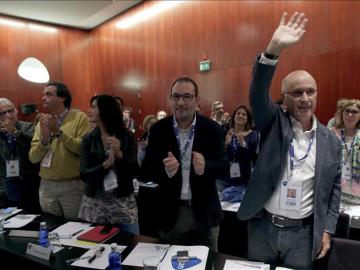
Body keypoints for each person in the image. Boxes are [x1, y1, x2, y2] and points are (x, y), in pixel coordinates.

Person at [237, 12, 342, 269]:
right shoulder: (274, 122)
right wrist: (273, 50)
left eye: (310, 91)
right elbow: (257, 91)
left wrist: (327, 230)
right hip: (264, 227)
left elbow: (334, 190)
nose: (304, 97)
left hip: (303, 236)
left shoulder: (331, 141)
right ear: (284, 99)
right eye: (296, 92)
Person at [141, 77, 228, 252]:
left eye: (187, 96)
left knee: (207, 263)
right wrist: (164, 169)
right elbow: (145, 171)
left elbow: (225, 167)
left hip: (204, 213)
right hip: (171, 214)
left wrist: (206, 166)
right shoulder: (158, 130)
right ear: (170, 99)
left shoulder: (213, 129)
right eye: (176, 96)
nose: (181, 102)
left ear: (197, 100)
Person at [29, 82, 90, 219]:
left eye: (48, 94)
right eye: (43, 95)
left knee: (74, 228)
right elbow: (33, 157)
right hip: (46, 186)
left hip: (71, 185)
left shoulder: (79, 118)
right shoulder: (42, 122)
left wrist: (57, 132)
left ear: (62, 98)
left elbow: (82, 148)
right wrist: (44, 140)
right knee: (51, 228)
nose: (43, 98)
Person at [79, 95, 139, 234]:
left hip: (122, 202)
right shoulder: (88, 139)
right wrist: (105, 165)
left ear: (105, 110)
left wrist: (119, 155)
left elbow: (135, 171)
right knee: (94, 248)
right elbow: (83, 174)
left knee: (129, 246)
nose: (89, 110)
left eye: (94, 107)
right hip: (94, 201)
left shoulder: (126, 136)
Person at [0, 98, 41, 212]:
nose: (8, 115)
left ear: (16, 112)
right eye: (3, 113)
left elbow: (34, 145)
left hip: (29, 180)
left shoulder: (28, 127)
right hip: (7, 182)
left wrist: (15, 132)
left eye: (11, 110)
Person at [217, 105, 258, 191]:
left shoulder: (253, 135)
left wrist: (243, 144)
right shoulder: (225, 131)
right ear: (234, 116)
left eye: (244, 114)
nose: (240, 115)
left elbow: (251, 158)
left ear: (247, 119)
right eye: (238, 113)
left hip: (242, 182)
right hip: (223, 179)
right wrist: (226, 144)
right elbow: (218, 156)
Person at [331, 99, 360, 205]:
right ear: (342, 113)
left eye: (355, 112)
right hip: (336, 192)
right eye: (347, 111)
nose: (350, 114)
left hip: (357, 194)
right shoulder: (332, 135)